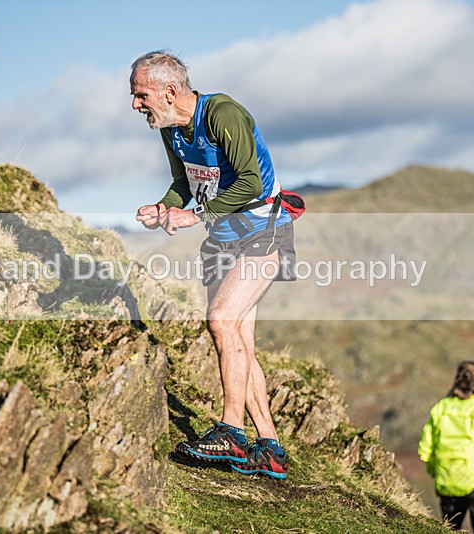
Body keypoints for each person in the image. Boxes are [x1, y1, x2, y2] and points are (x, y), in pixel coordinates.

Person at [131, 51, 300, 479]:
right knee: (239, 337)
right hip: (223, 242)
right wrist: (164, 206)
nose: (135, 105)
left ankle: (231, 432)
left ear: (170, 91)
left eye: (141, 94)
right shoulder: (170, 129)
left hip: (264, 232)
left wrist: (197, 216)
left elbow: (251, 181)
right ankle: (271, 448)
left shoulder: (222, 114)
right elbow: (182, 186)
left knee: (221, 320)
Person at [418, 361, 474, 533]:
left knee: (449, 530)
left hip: (446, 482)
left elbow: (426, 450)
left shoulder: (440, 408)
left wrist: (436, 473)